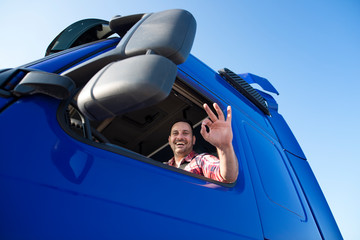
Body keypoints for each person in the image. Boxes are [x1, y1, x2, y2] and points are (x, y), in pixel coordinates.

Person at [165, 102, 238, 183]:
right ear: (169, 140)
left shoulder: (200, 161)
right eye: (175, 133)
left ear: (193, 140)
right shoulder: (162, 167)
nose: (180, 137)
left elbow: (228, 177)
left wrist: (224, 146)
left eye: (185, 133)